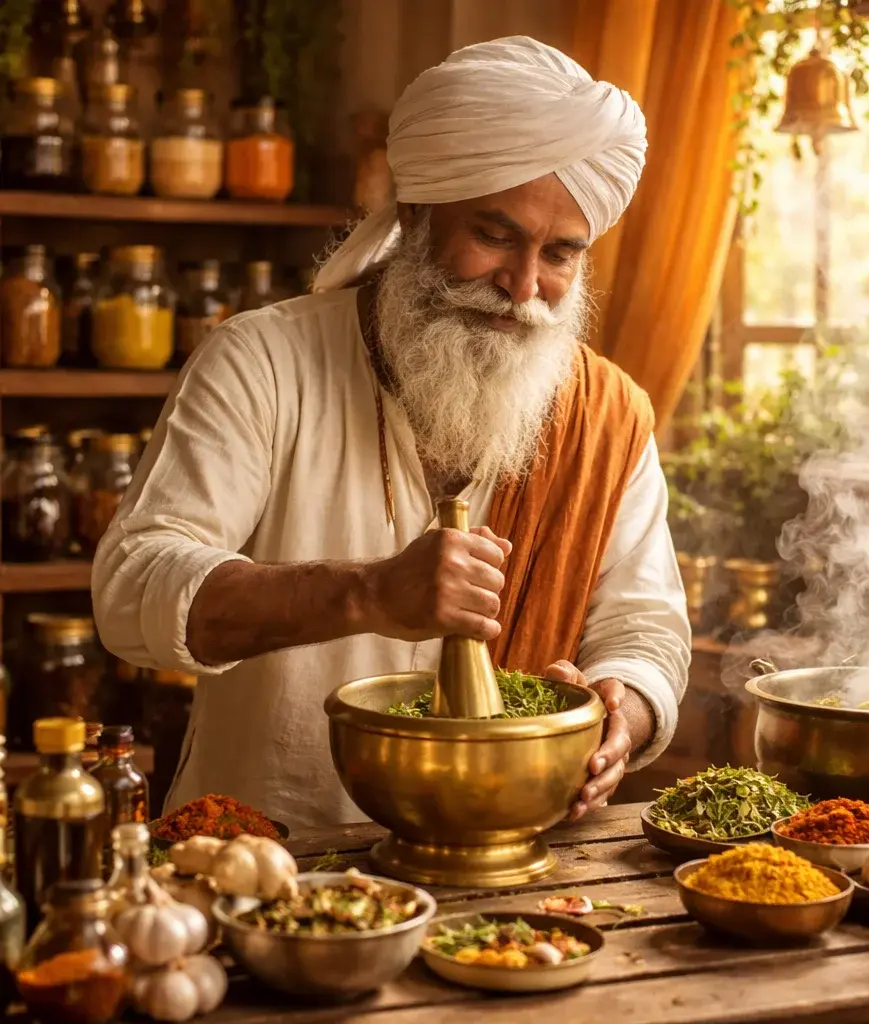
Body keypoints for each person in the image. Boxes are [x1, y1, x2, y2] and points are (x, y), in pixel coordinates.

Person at [92, 36, 691, 829]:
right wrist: (367, 593)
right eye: (495, 235)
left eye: (560, 254)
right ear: (415, 215)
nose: (523, 287)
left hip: (509, 876)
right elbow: (132, 588)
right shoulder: (263, 359)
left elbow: (644, 629)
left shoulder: (606, 415)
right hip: (260, 864)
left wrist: (624, 709)